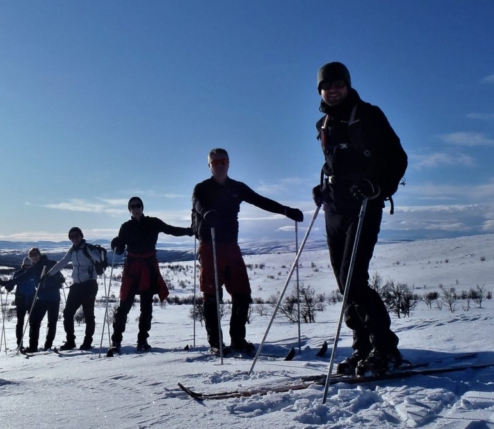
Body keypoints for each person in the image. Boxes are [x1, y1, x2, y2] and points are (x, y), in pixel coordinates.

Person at [312, 61, 406, 375]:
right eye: (328, 85)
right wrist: (322, 186)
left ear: (348, 85)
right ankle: (362, 348)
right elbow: (333, 164)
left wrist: (379, 186)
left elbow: (397, 157)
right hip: (334, 210)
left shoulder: (369, 115)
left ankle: (385, 348)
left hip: (364, 204)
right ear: (321, 90)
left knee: (354, 278)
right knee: (344, 283)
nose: (334, 89)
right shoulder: (323, 124)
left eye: (339, 83)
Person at [192, 148, 304, 355]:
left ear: (229, 163)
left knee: (242, 292)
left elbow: (260, 200)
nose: (219, 165)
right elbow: (198, 204)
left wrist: (286, 210)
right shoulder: (201, 188)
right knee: (211, 294)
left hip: (231, 246)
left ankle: (237, 339)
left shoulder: (237, 187)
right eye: (215, 162)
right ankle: (216, 343)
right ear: (209, 165)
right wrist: (207, 213)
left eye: (223, 161)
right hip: (210, 244)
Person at [108, 197, 193, 355]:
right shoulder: (126, 227)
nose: (136, 208)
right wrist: (116, 247)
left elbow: (170, 229)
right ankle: (116, 341)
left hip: (147, 267)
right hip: (133, 268)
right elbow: (120, 246)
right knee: (124, 306)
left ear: (142, 207)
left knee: (146, 308)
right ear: (129, 209)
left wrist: (188, 231)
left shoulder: (153, 222)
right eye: (132, 206)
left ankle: (142, 341)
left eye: (138, 205)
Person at [45, 227, 102, 351]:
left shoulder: (88, 248)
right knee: (67, 313)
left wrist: (101, 262)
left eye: (76, 235)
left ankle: (87, 342)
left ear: (81, 236)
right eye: (72, 236)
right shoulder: (73, 250)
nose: (74, 238)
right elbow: (63, 262)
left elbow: (100, 259)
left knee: (88, 315)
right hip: (76, 285)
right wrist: (49, 274)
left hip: (89, 285)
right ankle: (70, 341)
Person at [26, 247, 65, 351]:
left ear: (39, 254)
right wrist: (6, 283)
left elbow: (58, 277)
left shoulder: (50, 264)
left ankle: (48, 346)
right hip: (42, 298)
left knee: (52, 322)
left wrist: (58, 279)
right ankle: (33, 346)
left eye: (35, 254)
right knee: (34, 320)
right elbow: (22, 277)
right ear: (30, 258)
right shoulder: (33, 269)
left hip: (53, 298)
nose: (34, 257)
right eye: (32, 255)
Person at [0, 256, 36, 350]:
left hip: (32, 300)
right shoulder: (18, 274)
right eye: (26, 265)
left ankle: (32, 345)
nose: (27, 267)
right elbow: (12, 284)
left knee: (33, 323)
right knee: (20, 323)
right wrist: (7, 287)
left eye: (29, 265)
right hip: (21, 300)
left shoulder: (34, 274)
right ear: (23, 265)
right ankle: (19, 344)